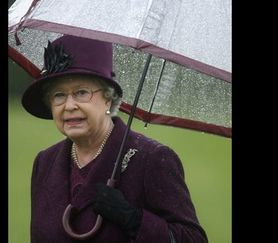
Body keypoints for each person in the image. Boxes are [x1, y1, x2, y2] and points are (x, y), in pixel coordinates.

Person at [21, 35, 208, 243]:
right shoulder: (45, 162)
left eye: (81, 93)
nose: (69, 105)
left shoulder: (152, 159)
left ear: (108, 98)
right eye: (58, 95)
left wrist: (136, 221)